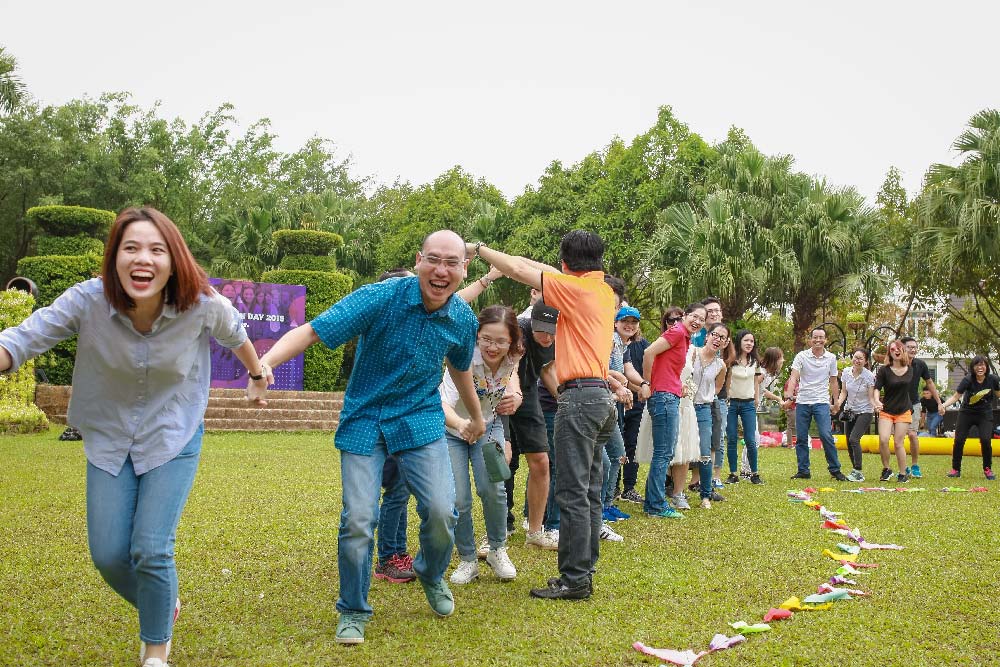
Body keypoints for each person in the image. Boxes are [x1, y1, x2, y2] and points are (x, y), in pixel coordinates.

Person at [0, 207, 270, 667]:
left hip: (173, 432)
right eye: (130, 248)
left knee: (151, 547)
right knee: (108, 555)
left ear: (173, 260)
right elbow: (24, 338)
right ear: (114, 257)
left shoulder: (203, 304)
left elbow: (237, 335)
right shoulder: (87, 300)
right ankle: (164, 601)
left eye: (155, 249)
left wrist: (257, 374)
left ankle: (155, 651)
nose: (142, 259)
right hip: (109, 435)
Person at [260, 230, 485, 645]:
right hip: (365, 418)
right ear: (418, 260)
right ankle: (352, 609)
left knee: (443, 510)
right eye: (433, 260)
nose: (441, 270)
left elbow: (458, 368)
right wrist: (267, 362)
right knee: (360, 520)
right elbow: (314, 330)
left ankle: (430, 573)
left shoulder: (464, 320)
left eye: (451, 262)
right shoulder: (379, 297)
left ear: (464, 268)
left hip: (419, 419)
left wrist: (474, 415)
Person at [470, 231, 619, 601]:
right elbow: (540, 269)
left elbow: (522, 269)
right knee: (590, 490)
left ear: (567, 264)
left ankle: (575, 579)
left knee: (571, 492)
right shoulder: (601, 290)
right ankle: (585, 568)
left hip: (580, 399)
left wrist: (478, 249)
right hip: (600, 398)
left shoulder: (575, 290)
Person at [442, 305, 522, 584]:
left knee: (494, 489)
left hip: (490, 427)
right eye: (486, 339)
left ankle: (498, 550)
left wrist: (517, 394)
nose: (493, 346)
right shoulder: (463, 359)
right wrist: (463, 425)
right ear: (477, 337)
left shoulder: (512, 356)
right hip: (453, 430)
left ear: (511, 342)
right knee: (459, 498)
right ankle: (467, 559)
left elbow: (512, 376)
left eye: (501, 341)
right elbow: (442, 404)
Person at [639, 302, 708, 517]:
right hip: (663, 396)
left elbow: (667, 367)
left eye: (702, 319)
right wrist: (647, 383)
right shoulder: (677, 332)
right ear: (685, 316)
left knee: (664, 453)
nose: (697, 321)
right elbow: (649, 352)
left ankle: (653, 503)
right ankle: (656, 505)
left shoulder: (685, 338)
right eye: (694, 316)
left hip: (669, 394)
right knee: (663, 453)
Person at [788, 327, 848, 481]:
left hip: (821, 401)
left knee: (826, 435)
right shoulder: (801, 356)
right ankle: (803, 470)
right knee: (801, 437)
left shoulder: (831, 358)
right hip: (803, 401)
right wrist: (789, 394)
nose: (818, 340)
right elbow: (794, 376)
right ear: (810, 339)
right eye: (815, 337)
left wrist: (836, 403)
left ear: (825, 340)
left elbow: (834, 381)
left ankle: (835, 470)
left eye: (821, 337)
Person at [689, 323, 733, 508]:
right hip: (684, 406)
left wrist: (706, 395)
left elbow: (717, 387)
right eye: (715, 334)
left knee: (705, 451)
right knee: (677, 448)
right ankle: (673, 490)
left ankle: (706, 495)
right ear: (707, 336)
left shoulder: (721, 365)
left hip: (704, 409)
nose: (718, 339)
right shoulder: (692, 353)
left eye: (722, 337)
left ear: (726, 342)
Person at [940, 355, 1000, 480]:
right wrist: (943, 405)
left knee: (985, 440)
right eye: (977, 365)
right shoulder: (968, 380)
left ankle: (987, 469)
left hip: (984, 414)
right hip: (967, 413)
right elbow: (956, 396)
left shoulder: (993, 379)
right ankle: (956, 469)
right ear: (973, 367)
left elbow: (999, 394)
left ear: (986, 367)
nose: (980, 367)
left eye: (983, 365)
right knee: (959, 440)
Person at [617, 305, 654, 504]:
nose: (629, 325)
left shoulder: (642, 345)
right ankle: (612, 489)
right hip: (618, 399)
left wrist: (643, 386)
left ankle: (629, 487)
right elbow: (621, 374)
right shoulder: (612, 342)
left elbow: (634, 371)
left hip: (637, 401)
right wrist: (638, 386)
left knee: (632, 444)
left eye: (633, 322)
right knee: (615, 446)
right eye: (625, 321)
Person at [873, 339, 914, 483]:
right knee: (883, 439)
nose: (896, 351)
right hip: (887, 409)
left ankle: (903, 473)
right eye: (892, 349)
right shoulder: (884, 370)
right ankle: (886, 469)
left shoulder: (910, 369)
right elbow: (877, 388)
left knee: (898, 443)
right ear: (889, 353)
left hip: (903, 410)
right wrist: (877, 401)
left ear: (902, 351)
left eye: (898, 349)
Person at [900, 337, 941, 478]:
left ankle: (915, 465)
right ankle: (903, 466)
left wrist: (939, 402)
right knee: (899, 438)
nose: (913, 349)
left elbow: (929, 383)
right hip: (897, 405)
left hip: (913, 404)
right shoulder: (896, 364)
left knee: (912, 435)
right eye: (909, 347)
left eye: (914, 347)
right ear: (902, 348)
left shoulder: (920, 364)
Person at [726, 330, 764, 484]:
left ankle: (754, 474)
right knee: (732, 438)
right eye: (746, 340)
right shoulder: (731, 360)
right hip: (732, 404)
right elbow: (727, 380)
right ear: (739, 341)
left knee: (750, 439)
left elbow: (756, 381)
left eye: (752, 341)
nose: (749, 344)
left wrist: (756, 399)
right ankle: (733, 474)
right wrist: (726, 398)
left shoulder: (755, 362)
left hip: (748, 404)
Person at [833, 349, 877, 482]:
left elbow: (870, 397)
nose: (857, 360)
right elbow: (844, 392)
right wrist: (838, 404)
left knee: (854, 439)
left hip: (865, 412)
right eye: (855, 357)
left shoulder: (869, 376)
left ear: (866, 361)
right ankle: (855, 471)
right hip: (849, 411)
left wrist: (876, 406)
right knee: (848, 441)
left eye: (861, 358)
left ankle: (858, 470)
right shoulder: (846, 372)